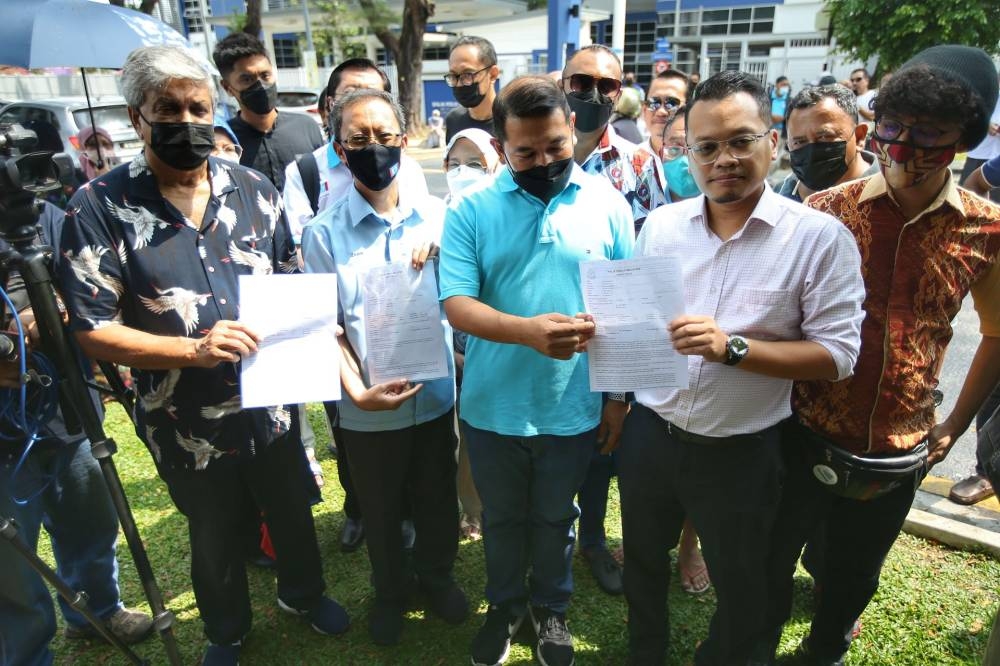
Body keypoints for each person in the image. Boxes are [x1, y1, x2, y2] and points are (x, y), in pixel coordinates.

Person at [55, 46, 349, 666]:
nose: (187, 121)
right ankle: (227, 630)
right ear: (138, 117)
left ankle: (303, 593)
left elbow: (293, 282)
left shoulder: (254, 189)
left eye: (198, 107)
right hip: (183, 416)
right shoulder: (97, 207)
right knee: (213, 530)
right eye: (169, 109)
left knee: (291, 507)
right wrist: (192, 348)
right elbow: (92, 328)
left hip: (271, 401)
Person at [613, 70, 865, 666]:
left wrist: (733, 348)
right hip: (653, 432)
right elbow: (640, 323)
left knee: (743, 580)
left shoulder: (820, 239)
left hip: (741, 449)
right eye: (705, 147)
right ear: (687, 154)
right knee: (644, 558)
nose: (723, 159)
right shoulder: (663, 226)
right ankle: (644, 650)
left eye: (740, 140)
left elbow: (838, 356)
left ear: (772, 143)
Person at [758, 45, 1000, 666]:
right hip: (802, 430)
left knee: (853, 576)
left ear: (964, 142)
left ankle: (825, 647)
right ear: (876, 125)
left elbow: (995, 333)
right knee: (770, 560)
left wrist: (953, 425)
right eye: (893, 128)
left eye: (929, 135)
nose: (904, 148)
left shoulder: (985, 229)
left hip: (898, 446)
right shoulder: (821, 213)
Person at [440, 75, 633, 666]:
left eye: (555, 146)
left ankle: (551, 607)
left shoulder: (608, 203)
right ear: (501, 146)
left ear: (571, 128)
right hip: (493, 406)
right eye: (526, 152)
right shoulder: (470, 210)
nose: (544, 160)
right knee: (500, 519)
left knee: (556, 517)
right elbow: (456, 304)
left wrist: (618, 396)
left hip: (572, 406)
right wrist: (528, 332)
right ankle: (505, 608)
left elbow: (628, 306)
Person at [302, 88, 466, 647]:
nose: (374, 148)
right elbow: (326, 328)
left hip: (435, 398)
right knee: (380, 509)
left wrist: (447, 245)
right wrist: (355, 391)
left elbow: (470, 295)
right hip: (368, 410)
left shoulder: (444, 219)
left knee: (437, 496)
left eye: (384, 136)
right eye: (358, 138)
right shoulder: (322, 234)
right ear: (339, 149)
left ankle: (437, 577)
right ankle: (391, 591)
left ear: (404, 140)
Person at [0, 201, 154, 666]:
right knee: (10, 560)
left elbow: (87, 280)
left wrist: (55, 307)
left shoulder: (40, 212)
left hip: (67, 410)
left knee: (90, 519)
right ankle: (26, 653)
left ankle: (97, 613)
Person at [560, 43, 664, 597]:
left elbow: (643, 273)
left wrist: (622, 386)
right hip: (540, 333)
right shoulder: (522, 153)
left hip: (607, 338)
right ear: (562, 84)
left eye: (607, 85)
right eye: (582, 82)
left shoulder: (640, 165)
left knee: (603, 449)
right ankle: (550, 539)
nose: (594, 95)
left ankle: (595, 538)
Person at [283, 58, 429, 245]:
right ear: (330, 104)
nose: (362, 106)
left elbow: (423, 231)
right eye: (350, 95)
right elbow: (300, 247)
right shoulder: (304, 172)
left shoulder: (409, 169)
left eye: (373, 95)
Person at [441, 128, 501, 542]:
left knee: (493, 438)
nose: (464, 172)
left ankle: (496, 506)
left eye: (476, 164)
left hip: (496, 351)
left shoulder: (502, 215)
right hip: (449, 354)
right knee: (460, 440)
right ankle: (471, 510)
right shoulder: (432, 218)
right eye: (455, 163)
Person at [213, 32, 324, 191]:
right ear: (227, 87)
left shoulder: (306, 127)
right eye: (247, 79)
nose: (260, 85)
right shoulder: (226, 143)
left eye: (265, 75)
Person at [778, 84, 880, 202]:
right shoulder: (781, 194)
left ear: (859, 137)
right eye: (799, 142)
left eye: (825, 137)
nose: (811, 152)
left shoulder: (894, 197)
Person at [444, 36, 501, 141]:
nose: (459, 84)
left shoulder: (513, 121)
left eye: (467, 74)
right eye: (453, 75)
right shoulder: (454, 120)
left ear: (493, 74)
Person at [955, 94, 1000, 207]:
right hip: (978, 152)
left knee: (995, 201)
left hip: (996, 152)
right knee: (966, 197)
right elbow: (967, 113)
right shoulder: (988, 91)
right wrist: (985, 125)